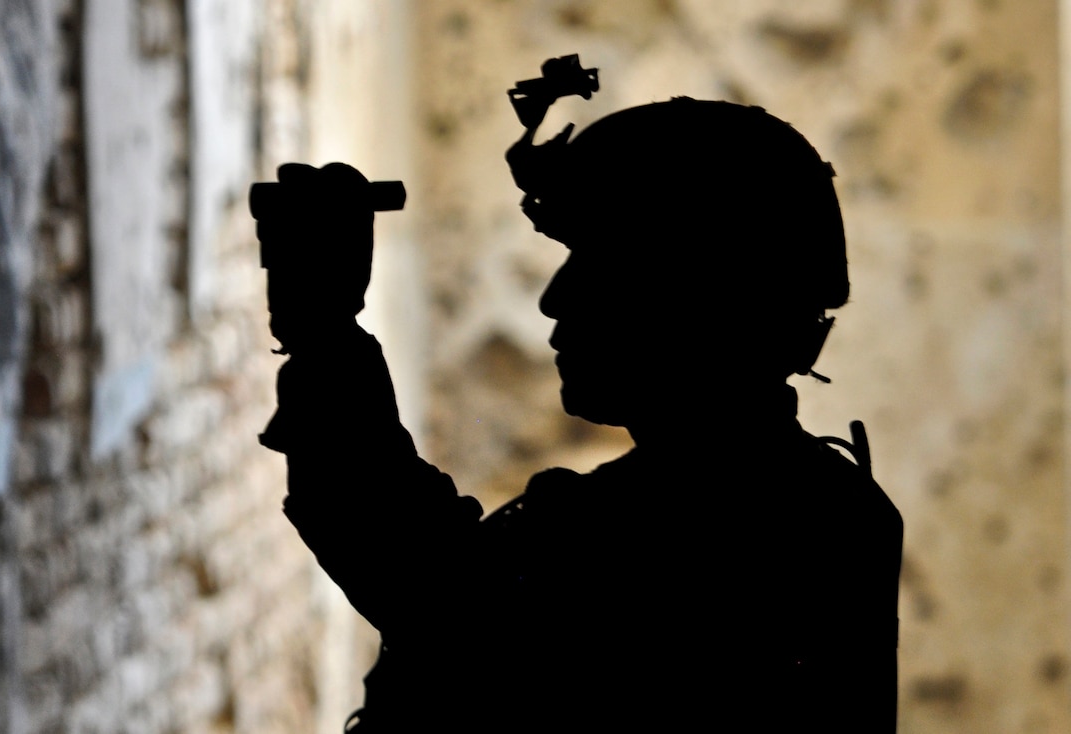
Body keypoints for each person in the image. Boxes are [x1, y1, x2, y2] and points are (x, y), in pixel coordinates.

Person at [254, 61, 903, 733]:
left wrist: (324, 333)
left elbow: (443, 595)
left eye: (598, 266)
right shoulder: (793, 503)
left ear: (700, 300)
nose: (554, 298)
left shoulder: (750, 529)